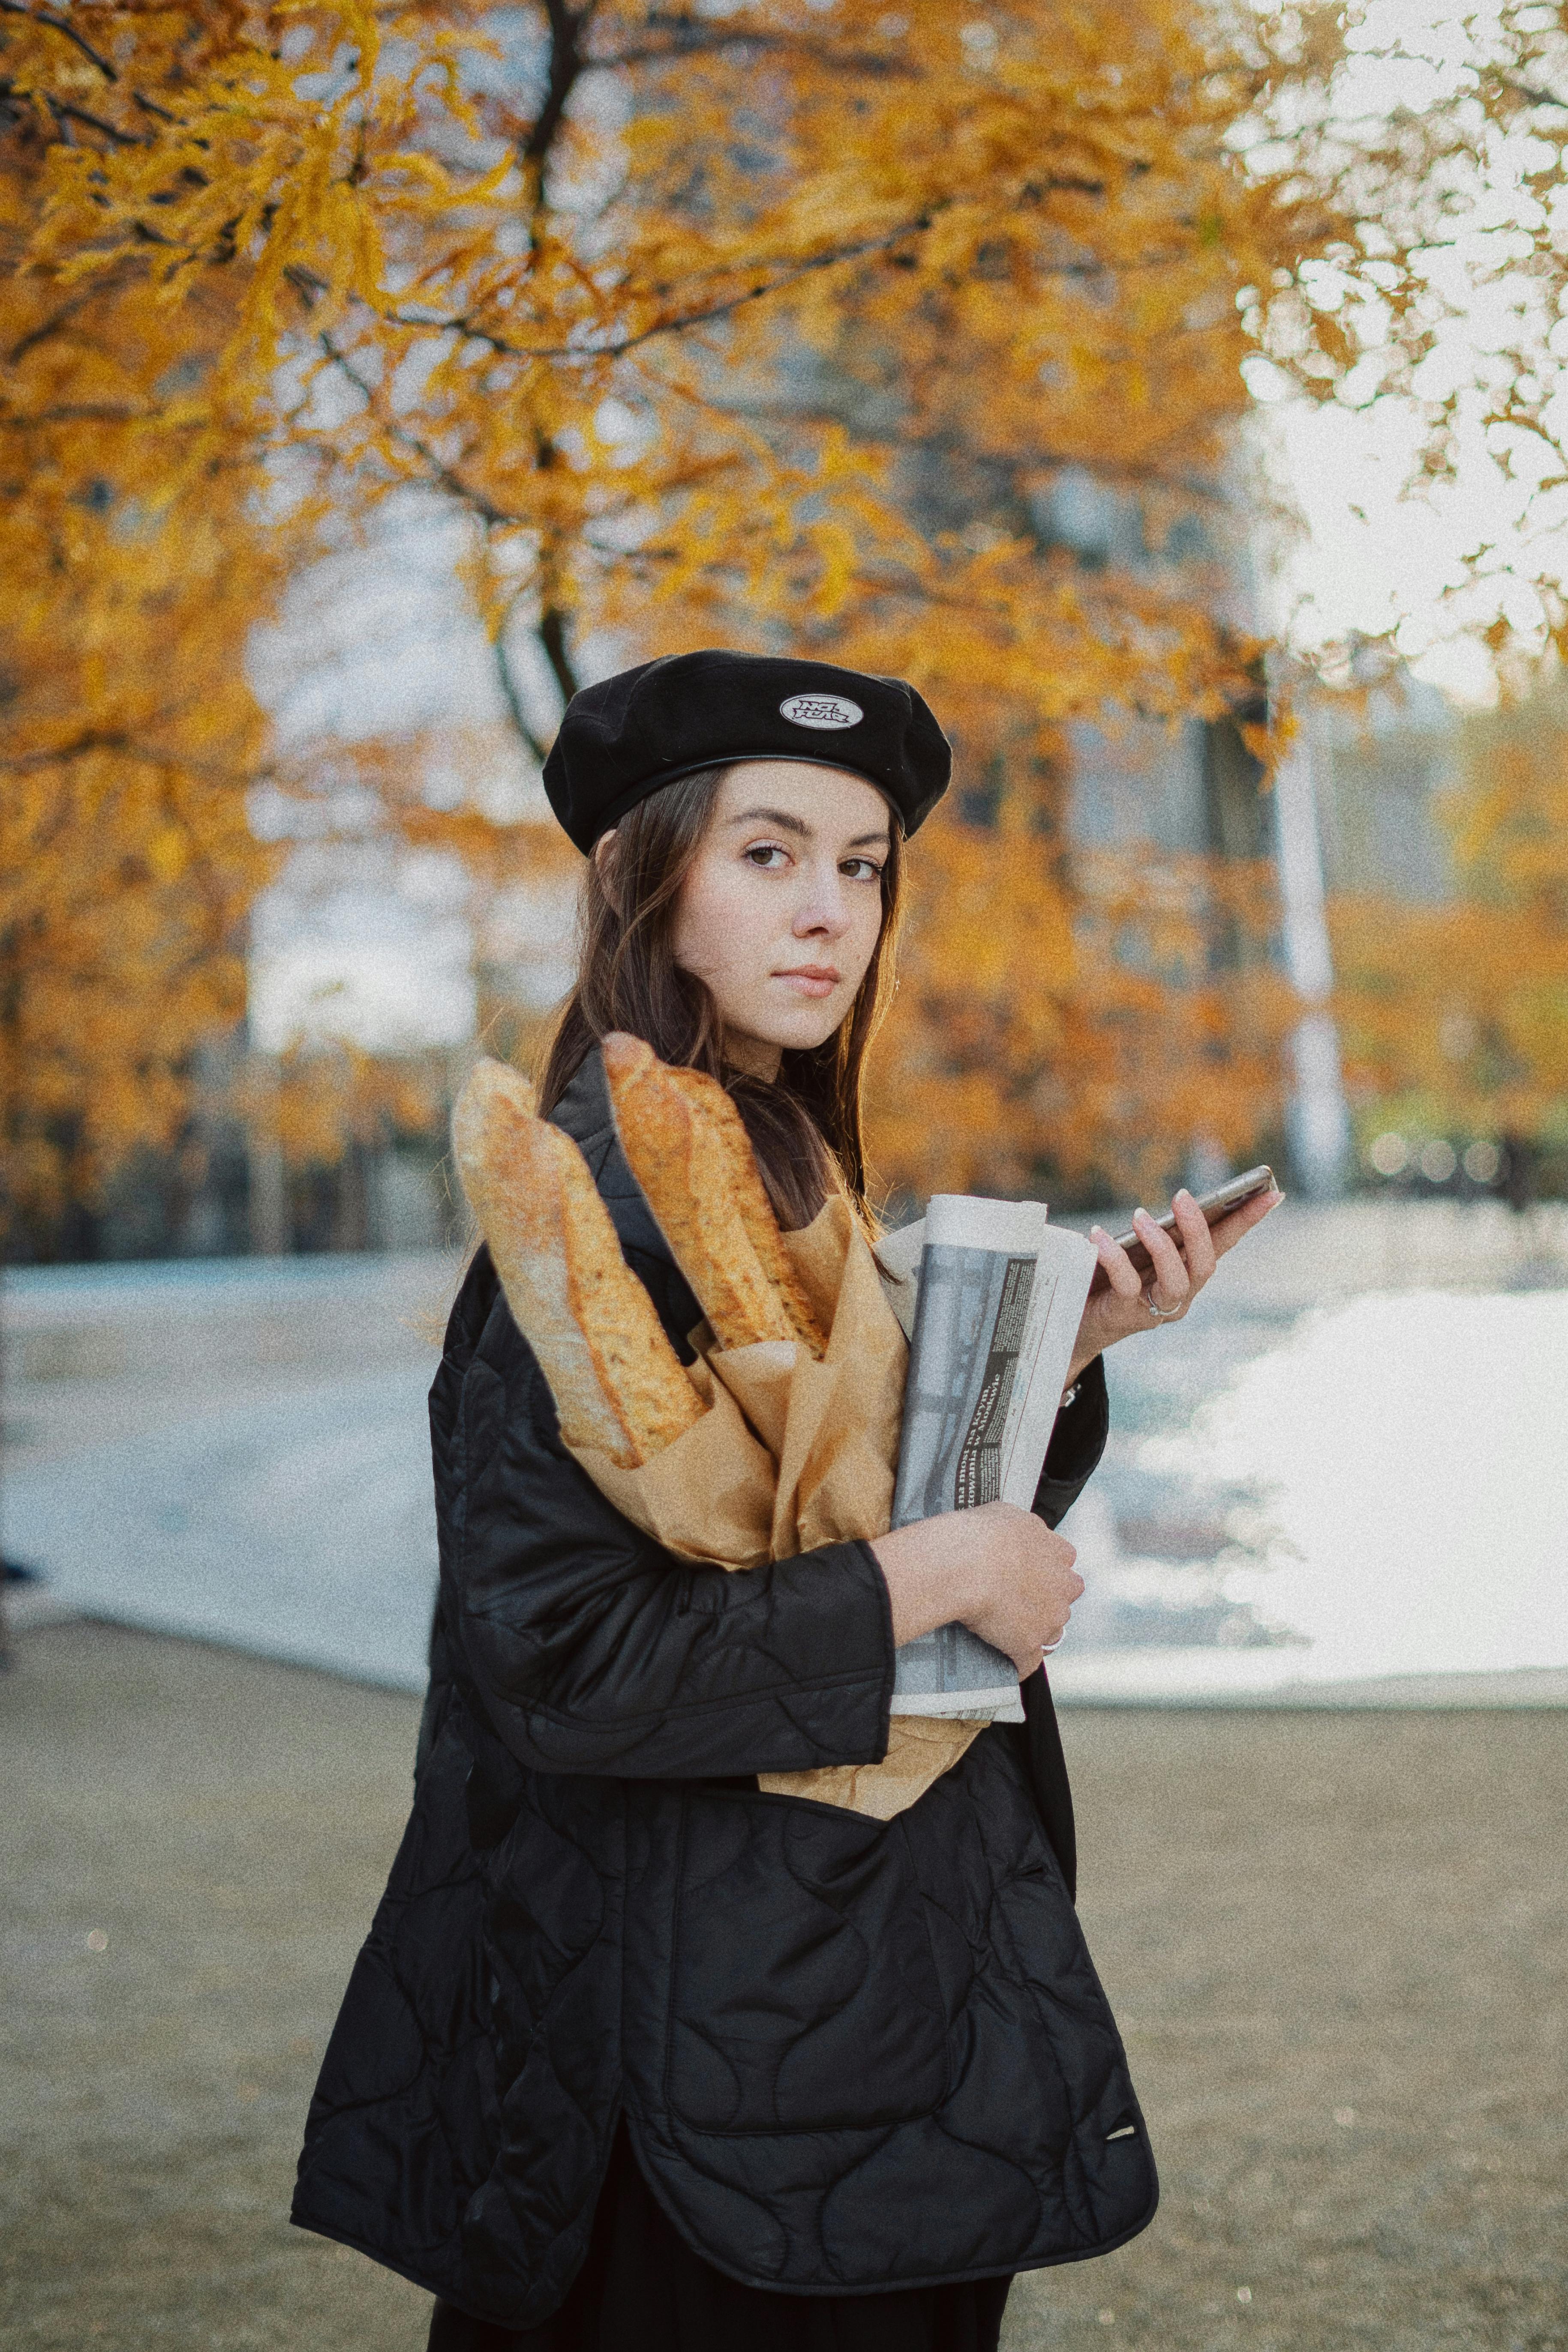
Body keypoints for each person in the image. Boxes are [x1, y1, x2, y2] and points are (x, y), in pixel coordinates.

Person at [292, 651, 1281, 2352]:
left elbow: (814, 1509)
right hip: (690, 2097)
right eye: (768, 853)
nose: (828, 908)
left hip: (823, 2041)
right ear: (643, 875)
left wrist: (1065, 1350)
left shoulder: (780, 1161)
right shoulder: (595, 1211)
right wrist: (944, 1565)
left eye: (861, 864)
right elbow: (574, 1665)